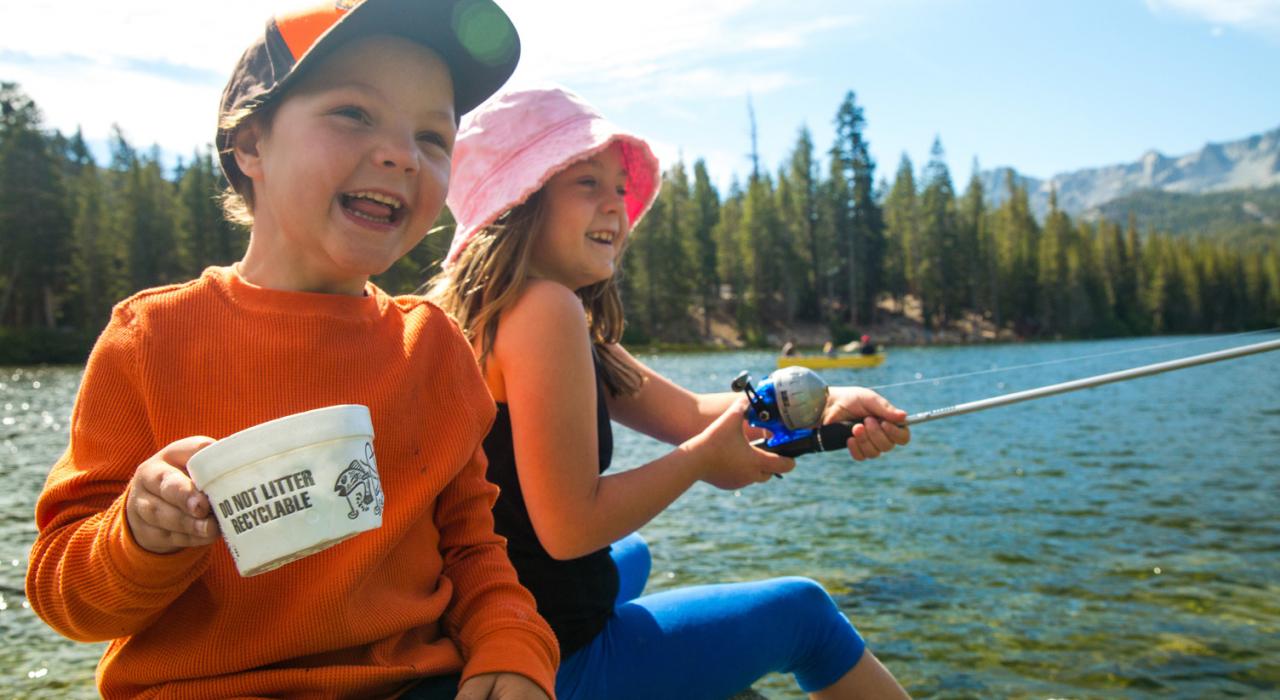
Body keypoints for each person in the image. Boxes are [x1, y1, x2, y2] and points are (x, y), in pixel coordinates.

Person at [25, 3, 558, 699]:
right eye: (354, 114)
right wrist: (138, 533)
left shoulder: (432, 347)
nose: (402, 154)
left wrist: (512, 643)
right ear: (251, 144)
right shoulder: (149, 339)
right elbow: (67, 601)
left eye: (432, 137)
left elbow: (471, 550)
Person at [426, 85, 912, 700]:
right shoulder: (545, 310)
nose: (616, 206)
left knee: (634, 554)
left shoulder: (491, 309)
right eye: (587, 183)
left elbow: (689, 413)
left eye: (619, 189)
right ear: (518, 202)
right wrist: (702, 463)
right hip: (553, 659)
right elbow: (570, 528)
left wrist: (820, 403)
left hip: (483, 620)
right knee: (805, 614)